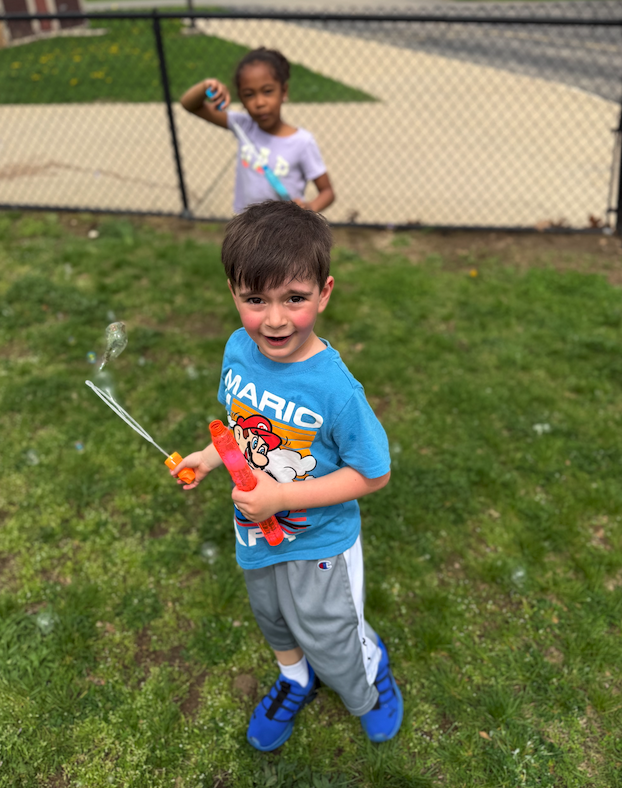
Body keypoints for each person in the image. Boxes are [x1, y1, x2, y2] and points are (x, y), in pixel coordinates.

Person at [172, 201, 401, 752]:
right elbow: (243, 432)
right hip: (254, 531)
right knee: (273, 618)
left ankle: (367, 682)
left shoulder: (337, 392)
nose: (274, 320)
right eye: (255, 300)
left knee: (330, 632)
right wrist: (207, 458)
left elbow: (375, 475)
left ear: (323, 293)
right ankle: (295, 678)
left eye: (293, 299)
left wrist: (282, 495)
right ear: (234, 293)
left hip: (319, 542)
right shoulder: (236, 351)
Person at [180, 47, 335, 215]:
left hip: (285, 230)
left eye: (267, 91)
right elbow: (190, 105)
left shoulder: (302, 142)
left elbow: (327, 192)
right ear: (241, 98)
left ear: (284, 91)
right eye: (249, 94)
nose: (259, 102)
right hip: (247, 227)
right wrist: (206, 87)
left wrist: (310, 207)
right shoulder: (242, 126)